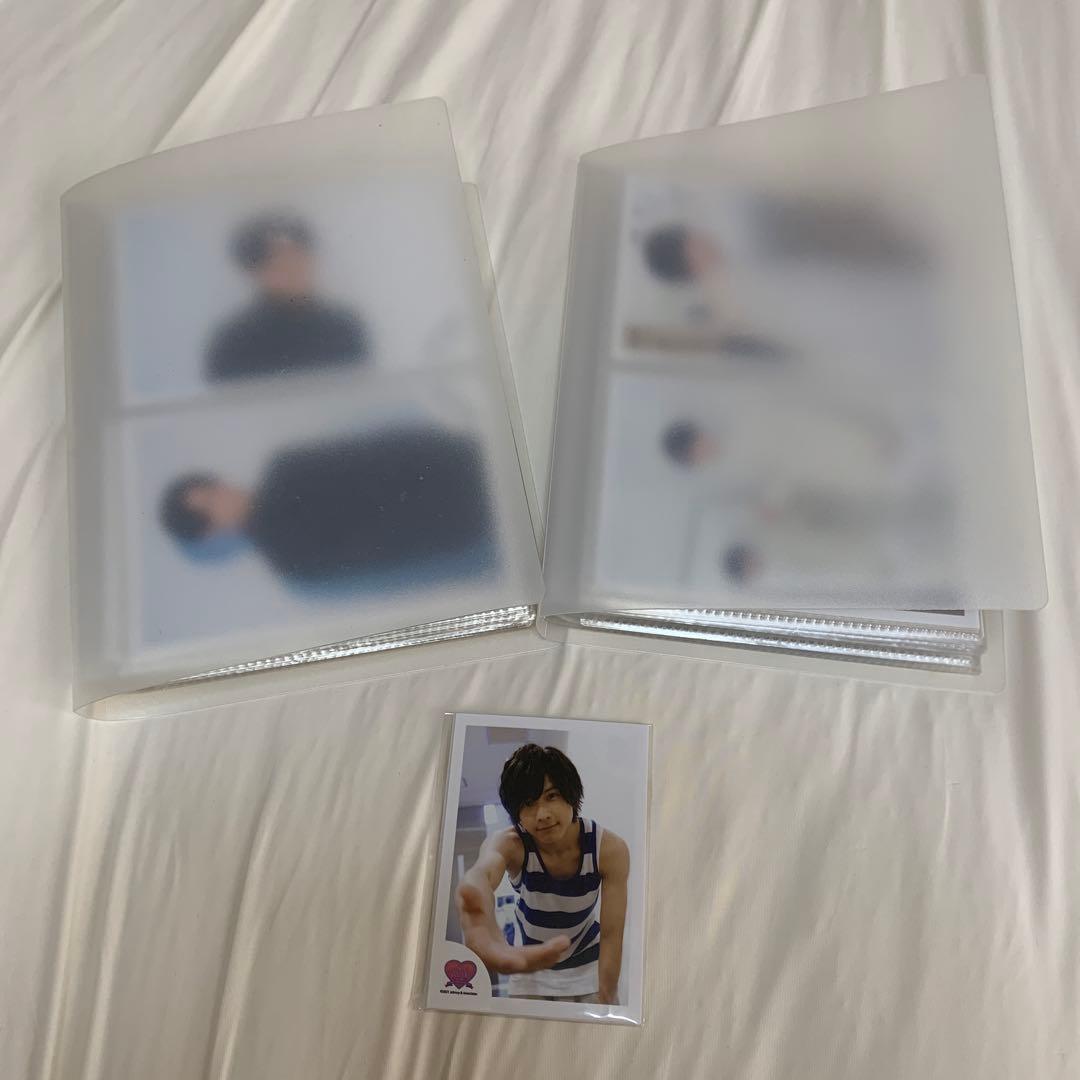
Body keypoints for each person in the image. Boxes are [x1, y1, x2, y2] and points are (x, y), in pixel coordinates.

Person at [159, 426, 493, 588]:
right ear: (212, 530)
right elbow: (385, 554)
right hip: (458, 520)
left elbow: (374, 447)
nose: (223, 494)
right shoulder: (288, 559)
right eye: (210, 505)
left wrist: (453, 447)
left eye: (212, 487)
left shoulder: (284, 465)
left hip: (453, 461)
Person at [455, 744, 630, 1003]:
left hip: (587, 965)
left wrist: (608, 994)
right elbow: (485, 869)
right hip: (529, 966)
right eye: (529, 803)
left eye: (552, 796)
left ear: (571, 794)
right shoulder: (513, 844)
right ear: (517, 813)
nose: (543, 814)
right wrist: (474, 889)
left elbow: (612, 935)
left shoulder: (608, 849)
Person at [206, 212, 368, 381]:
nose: (292, 268)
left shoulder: (345, 329)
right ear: (254, 270)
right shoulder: (233, 342)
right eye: (278, 260)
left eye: (298, 256)